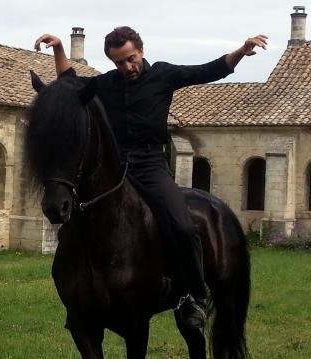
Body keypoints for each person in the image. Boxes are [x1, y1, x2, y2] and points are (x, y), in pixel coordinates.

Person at [34, 27, 267, 329]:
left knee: (183, 226)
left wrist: (240, 51)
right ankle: (80, 298)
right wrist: (59, 49)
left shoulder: (163, 75)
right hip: (116, 167)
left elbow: (208, 70)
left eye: (130, 59)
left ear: (141, 51)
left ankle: (192, 297)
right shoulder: (107, 84)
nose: (127, 67)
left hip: (151, 165)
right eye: (119, 63)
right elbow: (69, 82)